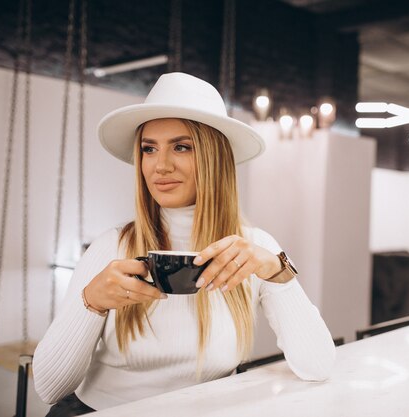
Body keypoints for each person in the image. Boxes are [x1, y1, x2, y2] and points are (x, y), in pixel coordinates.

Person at [33, 72, 336, 415]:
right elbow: (48, 388)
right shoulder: (112, 247)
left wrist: (278, 273)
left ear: (214, 158)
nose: (160, 166)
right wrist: (90, 303)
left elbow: (319, 366)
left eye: (181, 146)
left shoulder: (252, 249)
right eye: (149, 149)